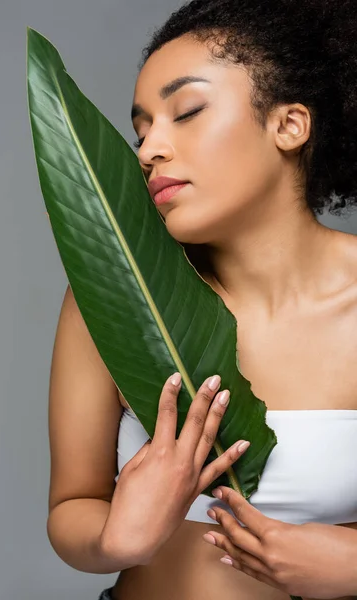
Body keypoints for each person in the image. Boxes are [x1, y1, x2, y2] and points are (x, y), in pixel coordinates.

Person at [46, 0, 357, 599]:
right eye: (141, 129)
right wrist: (117, 539)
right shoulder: (116, 294)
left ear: (289, 125)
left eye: (185, 112)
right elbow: (72, 506)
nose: (148, 150)